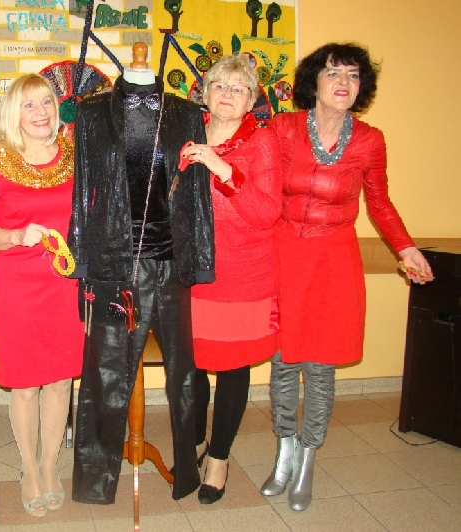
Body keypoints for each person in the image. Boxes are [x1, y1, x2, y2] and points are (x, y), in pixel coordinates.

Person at [261, 42, 433, 512]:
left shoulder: (370, 140)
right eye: (333, 72)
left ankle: (308, 457)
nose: (344, 82)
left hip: (334, 261)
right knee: (284, 360)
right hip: (284, 255)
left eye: (354, 75)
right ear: (313, 82)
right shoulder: (283, 128)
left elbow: (379, 202)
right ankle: (284, 452)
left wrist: (405, 246)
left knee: (321, 365)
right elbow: (254, 180)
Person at [68, 47, 215, 504]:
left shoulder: (187, 114)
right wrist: (82, 263)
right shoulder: (92, 113)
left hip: (171, 265)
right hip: (114, 267)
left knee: (183, 375)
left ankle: (187, 474)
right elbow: (83, 188)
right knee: (105, 373)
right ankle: (95, 483)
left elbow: (197, 190)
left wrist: (202, 260)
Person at [180, 54, 282, 504]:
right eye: (220, 86)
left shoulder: (262, 143)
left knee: (233, 368)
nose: (227, 94)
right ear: (205, 93)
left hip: (243, 275)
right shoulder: (185, 134)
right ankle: (196, 442)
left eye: (239, 89)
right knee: (193, 366)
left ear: (251, 100)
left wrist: (222, 170)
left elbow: (267, 212)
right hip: (192, 275)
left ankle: (219, 458)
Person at [0, 74, 83, 518]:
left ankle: (49, 465)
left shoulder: (76, 157)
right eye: (29, 105)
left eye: (46, 102)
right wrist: (15, 235)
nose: (41, 112)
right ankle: (28, 467)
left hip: (67, 285)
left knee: (61, 380)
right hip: (19, 285)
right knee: (25, 385)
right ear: (14, 114)